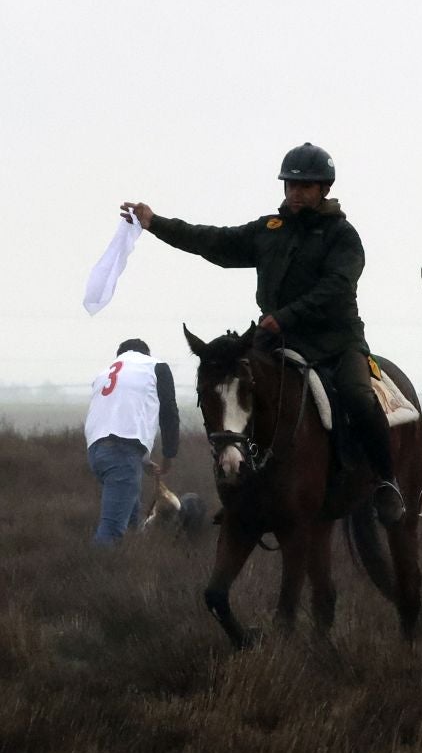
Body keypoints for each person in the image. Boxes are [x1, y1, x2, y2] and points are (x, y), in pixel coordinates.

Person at [118, 142, 405, 522]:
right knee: (238, 392)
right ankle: (240, 488)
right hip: (277, 340)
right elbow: (212, 241)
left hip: (335, 343)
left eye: (305, 186)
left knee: (356, 396)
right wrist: (155, 223)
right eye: (290, 185)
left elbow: (336, 287)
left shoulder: (342, 236)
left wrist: (284, 316)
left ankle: (386, 482)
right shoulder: (269, 230)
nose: (295, 193)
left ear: (324, 189)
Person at [83, 338, 180, 544]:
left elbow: (115, 417)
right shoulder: (156, 367)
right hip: (121, 454)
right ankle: (95, 570)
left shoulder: (104, 374)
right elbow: (169, 413)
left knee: (132, 522)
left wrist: (142, 460)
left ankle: (131, 563)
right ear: (146, 353)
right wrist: (169, 456)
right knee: (111, 530)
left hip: (97, 453)